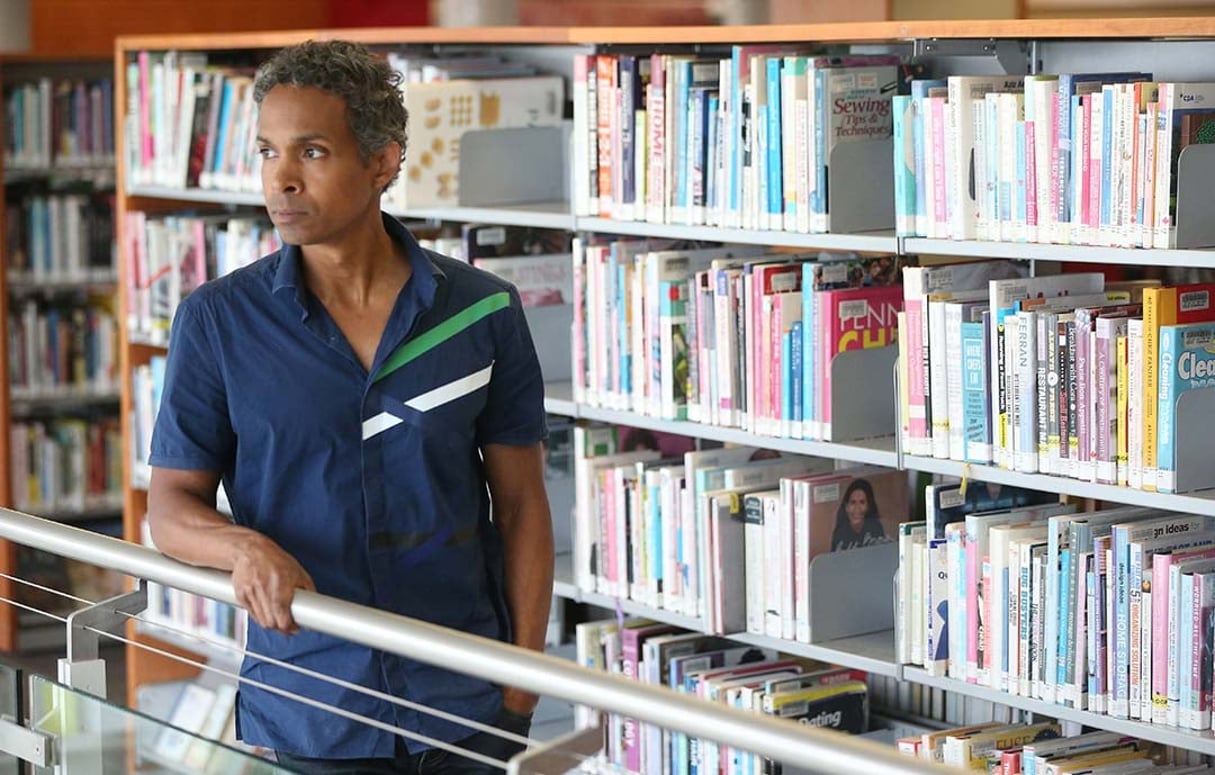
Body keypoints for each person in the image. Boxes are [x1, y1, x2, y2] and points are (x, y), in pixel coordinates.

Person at [145, 39, 554, 774]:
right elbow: (170, 507)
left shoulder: (483, 311)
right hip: (311, 707)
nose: (283, 179)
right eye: (268, 151)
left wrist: (520, 691)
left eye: (313, 152)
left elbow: (522, 506)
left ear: (382, 161)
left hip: (462, 704)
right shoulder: (218, 321)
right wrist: (244, 546)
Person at [829, 478, 886, 552]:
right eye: (853, 502)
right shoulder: (839, 533)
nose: (857, 508)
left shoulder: (875, 528)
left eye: (862, 502)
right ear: (846, 507)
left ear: (868, 506)